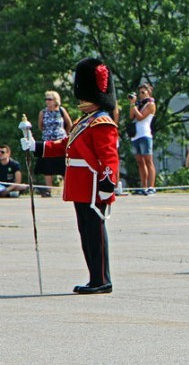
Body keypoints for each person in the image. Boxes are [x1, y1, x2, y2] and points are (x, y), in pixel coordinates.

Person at [22, 58, 118, 294]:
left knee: (95, 234)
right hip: (79, 184)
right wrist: (37, 146)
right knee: (85, 233)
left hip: (94, 183)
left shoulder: (101, 123)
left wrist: (108, 183)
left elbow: (109, 157)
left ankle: (102, 279)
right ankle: (94, 277)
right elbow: (65, 145)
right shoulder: (84, 121)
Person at [35, 90, 73, 197]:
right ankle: (48, 190)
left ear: (55, 100)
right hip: (48, 141)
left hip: (60, 141)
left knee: (63, 165)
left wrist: (65, 134)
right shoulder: (43, 112)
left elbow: (69, 124)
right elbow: (40, 126)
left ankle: (67, 189)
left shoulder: (61, 110)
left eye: (49, 99)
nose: (47, 101)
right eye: (46, 99)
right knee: (47, 166)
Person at [128, 83, 156, 195]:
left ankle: (151, 186)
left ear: (149, 93)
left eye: (143, 92)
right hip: (136, 135)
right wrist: (132, 105)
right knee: (140, 161)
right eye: (139, 93)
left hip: (145, 134)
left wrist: (134, 105)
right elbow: (131, 116)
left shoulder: (150, 104)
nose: (141, 95)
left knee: (148, 161)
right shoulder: (138, 104)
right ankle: (143, 186)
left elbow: (140, 117)